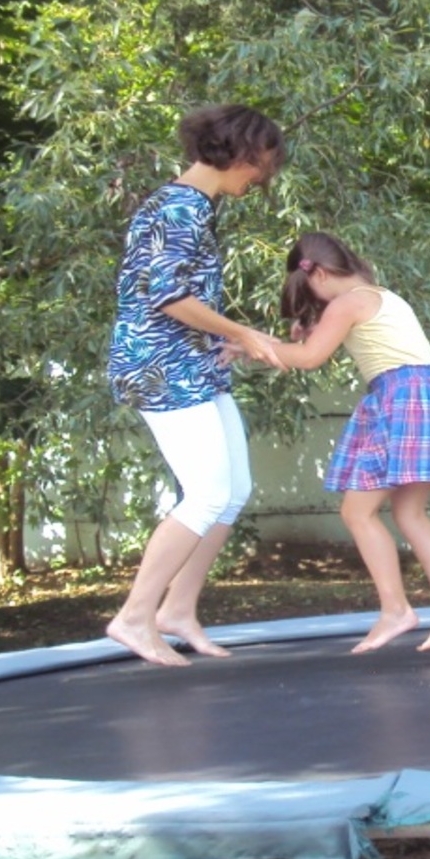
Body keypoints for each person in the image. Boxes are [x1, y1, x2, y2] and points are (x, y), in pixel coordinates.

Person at [104, 104, 289, 667]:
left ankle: (177, 611)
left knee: (232, 492)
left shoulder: (194, 207)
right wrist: (241, 332)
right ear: (242, 152)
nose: (263, 177)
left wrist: (228, 340)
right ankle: (134, 616)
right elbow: (168, 297)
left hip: (192, 364)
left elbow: (180, 297)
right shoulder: (178, 207)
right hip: (160, 366)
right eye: (263, 164)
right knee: (206, 494)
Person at [261, 231, 430, 653]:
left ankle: (396, 610)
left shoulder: (348, 303)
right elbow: (313, 341)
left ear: (319, 274)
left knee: (357, 511)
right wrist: (298, 333)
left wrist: (256, 344)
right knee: (410, 513)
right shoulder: (379, 295)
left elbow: (308, 358)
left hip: (405, 398)